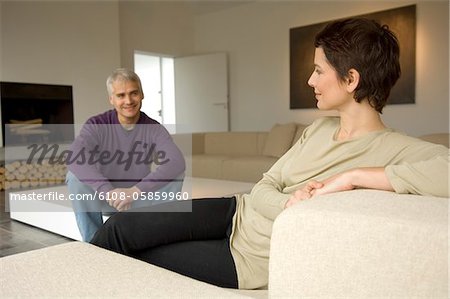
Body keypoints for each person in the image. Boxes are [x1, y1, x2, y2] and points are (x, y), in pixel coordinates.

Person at [90, 18, 449, 290]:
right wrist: (288, 203)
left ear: (351, 79)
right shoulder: (319, 128)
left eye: (319, 70)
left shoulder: (395, 149)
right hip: (235, 209)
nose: (310, 80)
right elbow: (265, 184)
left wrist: (354, 177)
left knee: (134, 256)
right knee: (117, 229)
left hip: (249, 257)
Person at [66, 68, 186, 242]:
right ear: (112, 99)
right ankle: (95, 243)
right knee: (74, 177)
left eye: (133, 93)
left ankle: (157, 236)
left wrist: (135, 191)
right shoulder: (97, 124)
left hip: (139, 199)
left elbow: (176, 162)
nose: (128, 101)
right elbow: (73, 156)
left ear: (142, 94)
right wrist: (108, 192)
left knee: (176, 174)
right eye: (121, 95)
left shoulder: (154, 128)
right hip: (106, 199)